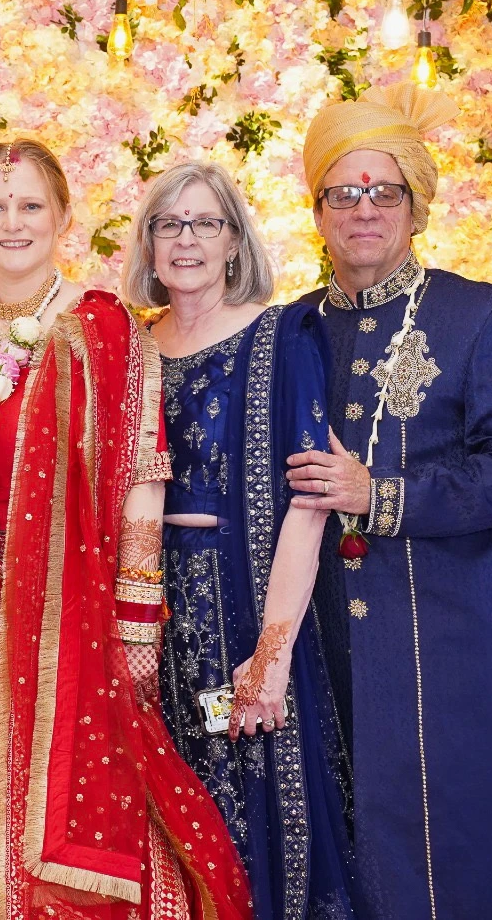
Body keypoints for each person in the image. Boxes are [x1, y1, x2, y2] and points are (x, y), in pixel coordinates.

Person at [0, 140, 252, 920]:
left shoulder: (103, 330)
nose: (14, 223)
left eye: (31, 206)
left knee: (72, 796)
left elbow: (143, 477)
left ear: (64, 217)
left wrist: (137, 622)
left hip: (64, 625)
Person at [286, 83, 492, 920]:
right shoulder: (289, 331)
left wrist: (383, 496)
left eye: (384, 190)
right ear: (318, 209)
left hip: (448, 643)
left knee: (454, 859)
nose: (363, 210)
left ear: (415, 204)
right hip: (320, 641)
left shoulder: (479, 316)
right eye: (344, 191)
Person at [122, 162, 364, 920]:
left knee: (252, 803)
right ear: (149, 243)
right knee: (157, 819)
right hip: (143, 617)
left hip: (241, 608)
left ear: (234, 240)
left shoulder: (283, 333)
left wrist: (273, 649)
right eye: (170, 224)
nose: (186, 239)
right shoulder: (129, 349)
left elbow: (310, 502)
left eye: (205, 223)